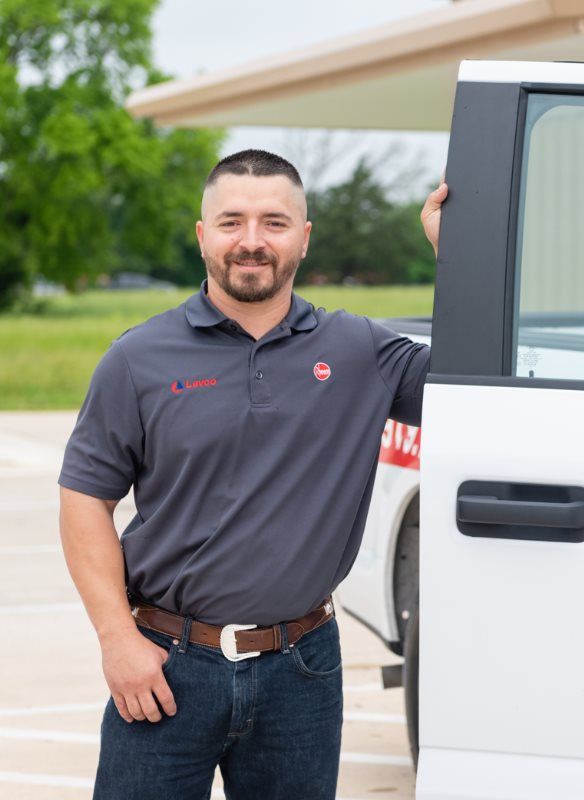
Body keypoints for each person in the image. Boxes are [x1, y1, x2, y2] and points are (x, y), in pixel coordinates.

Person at [57, 149, 448, 799]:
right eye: (232, 221)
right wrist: (116, 640)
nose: (252, 241)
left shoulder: (360, 351)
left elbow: (477, 383)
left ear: (303, 236)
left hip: (302, 671)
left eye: (273, 222)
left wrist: (454, 258)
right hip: (164, 667)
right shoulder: (138, 357)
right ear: (203, 234)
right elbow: (83, 499)